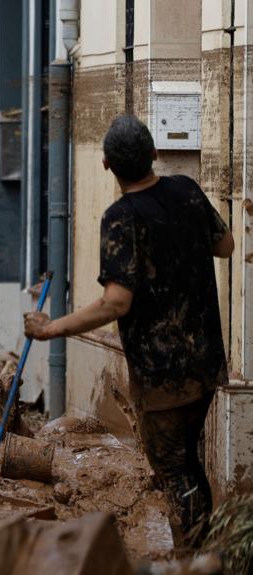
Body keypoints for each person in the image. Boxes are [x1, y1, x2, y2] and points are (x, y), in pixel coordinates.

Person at [24, 115, 234, 548]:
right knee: (188, 464)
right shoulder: (187, 191)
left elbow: (116, 302)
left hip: (163, 377)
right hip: (207, 362)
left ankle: (196, 559)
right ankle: (207, 553)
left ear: (105, 164)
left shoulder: (121, 218)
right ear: (155, 154)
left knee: (174, 471)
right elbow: (225, 245)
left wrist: (50, 330)